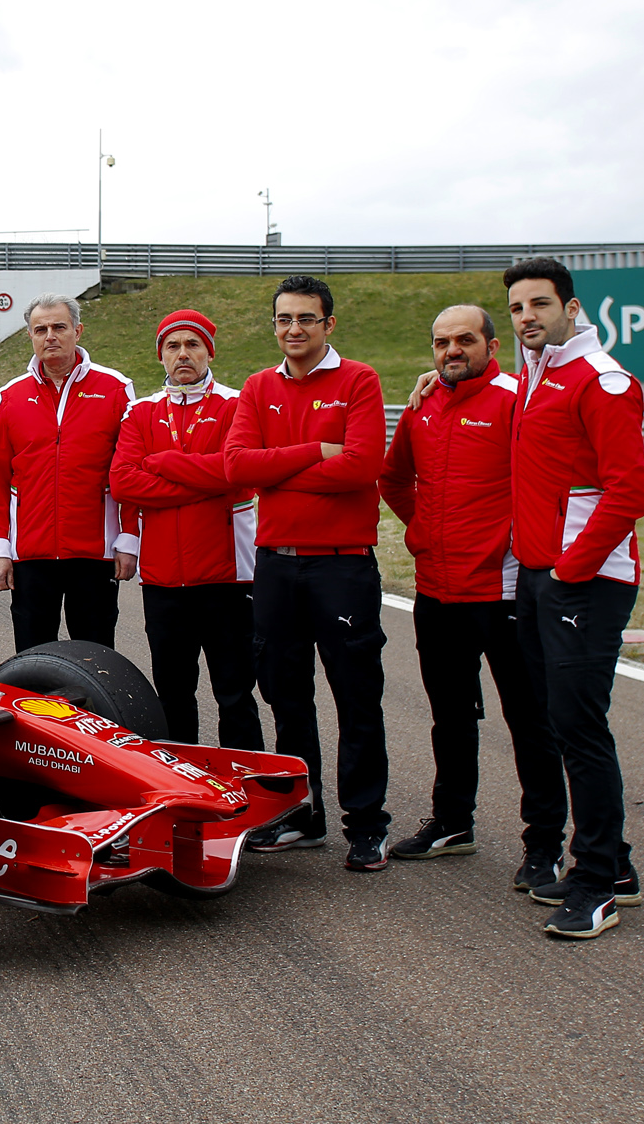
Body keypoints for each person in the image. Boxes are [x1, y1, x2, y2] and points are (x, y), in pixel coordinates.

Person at [379, 306, 568, 884]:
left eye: (465, 339)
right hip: (438, 591)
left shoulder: (517, 398)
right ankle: (453, 823)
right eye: (441, 342)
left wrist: (512, 542)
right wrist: (422, 534)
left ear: (491, 343)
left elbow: (551, 482)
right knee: (450, 717)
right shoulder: (423, 405)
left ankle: (544, 844)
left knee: (530, 722)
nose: (452, 350)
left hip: (506, 592)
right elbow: (392, 479)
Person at [223, 275, 392, 871]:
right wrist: (314, 452)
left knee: (356, 698)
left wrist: (278, 471)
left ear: (328, 324)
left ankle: (366, 824)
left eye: (306, 320)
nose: (294, 330)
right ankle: (303, 816)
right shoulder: (258, 386)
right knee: (286, 696)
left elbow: (363, 465)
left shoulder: (360, 380)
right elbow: (238, 466)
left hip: (341, 566)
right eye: (284, 320)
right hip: (276, 566)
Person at [503, 258, 644, 939]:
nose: (527, 315)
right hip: (542, 575)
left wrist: (568, 570)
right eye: (517, 307)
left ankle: (595, 883)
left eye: (540, 303)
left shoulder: (603, 380)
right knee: (559, 722)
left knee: (580, 728)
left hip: (583, 580)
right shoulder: (538, 376)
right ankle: (615, 863)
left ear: (572, 306)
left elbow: (630, 492)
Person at [109, 310, 261, 748]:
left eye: (192, 345)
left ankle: (244, 782)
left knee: (234, 694)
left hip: (228, 576)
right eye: (172, 346)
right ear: (161, 357)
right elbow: (124, 483)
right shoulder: (141, 412)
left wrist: (165, 466)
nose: (183, 354)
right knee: (174, 694)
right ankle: (185, 782)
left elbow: (240, 474)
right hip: (163, 580)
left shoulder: (236, 404)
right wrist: (204, 483)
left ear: (209, 351)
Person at [0, 294, 138, 654]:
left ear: (77, 331)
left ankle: (99, 712)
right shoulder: (11, 395)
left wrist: (128, 538)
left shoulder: (116, 388)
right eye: (40, 329)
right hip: (31, 554)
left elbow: (128, 472)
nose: (50, 336)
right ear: (30, 336)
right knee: (33, 656)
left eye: (58, 327)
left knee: (96, 655)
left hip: (94, 552)